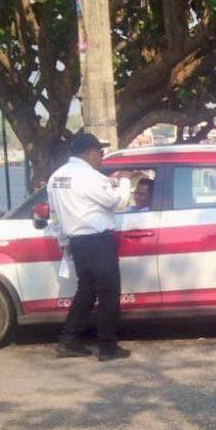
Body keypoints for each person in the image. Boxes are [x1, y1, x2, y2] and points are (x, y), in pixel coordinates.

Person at [48, 132, 134, 360]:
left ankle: (68, 341)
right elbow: (117, 203)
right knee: (108, 293)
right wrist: (125, 181)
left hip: (77, 242)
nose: (101, 156)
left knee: (86, 291)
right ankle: (107, 347)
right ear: (88, 153)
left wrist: (64, 243)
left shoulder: (56, 177)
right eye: (99, 152)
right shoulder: (89, 177)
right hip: (98, 241)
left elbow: (55, 216)